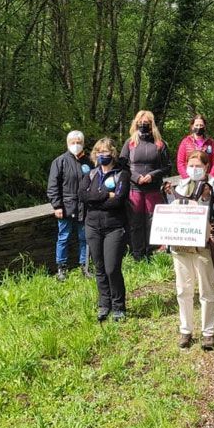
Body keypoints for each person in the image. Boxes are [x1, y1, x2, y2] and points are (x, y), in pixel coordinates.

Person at [164, 150, 214, 351]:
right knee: (183, 288)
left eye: (198, 165)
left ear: (206, 167)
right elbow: (171, 211)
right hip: (181, 242)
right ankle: (186, 329)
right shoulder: (178, 185)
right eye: (191, 165)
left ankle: (208, 332)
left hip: (203, 243)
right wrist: (166, 194)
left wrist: (207, 199)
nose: (194, 169)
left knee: (207, 288)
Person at [79, 138, 132, 322]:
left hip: (114, 227)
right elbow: (83, 195)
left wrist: (96, 200)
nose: (103, 155)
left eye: (106, 151)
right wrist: (104, 195)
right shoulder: (92, 174)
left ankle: (119, 306)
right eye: (99, 152)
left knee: (112, 268)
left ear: (113, 153)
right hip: (92, 226)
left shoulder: (122, 175)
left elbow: (118, 200)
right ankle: (104, 304)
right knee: (99, 267)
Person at [120, 110, 171, 261]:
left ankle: (151, 252)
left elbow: (168, 166)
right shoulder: (130, 143)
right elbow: (122, 165)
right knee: (135, 222)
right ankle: (137, 254)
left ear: (152, 124)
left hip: (153, 189)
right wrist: (136, 177)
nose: (143, 125)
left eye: (147, 123)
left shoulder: (160, 143)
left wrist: (152, 175)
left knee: (152, 221)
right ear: (136, 124)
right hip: (134, 189)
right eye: (140, 122)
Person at [47, 130, 93, 280]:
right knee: (64, 237)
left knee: (84, 237)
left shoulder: (89, 162)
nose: (76, 145)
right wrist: (57, 206)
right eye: (73, 142)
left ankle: (85, 266)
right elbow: (53, 186)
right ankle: (61, 268)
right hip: (66, 207)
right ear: (67, 144)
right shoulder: (59, 162)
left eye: (78, 142)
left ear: (83, 144)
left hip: (85, 207)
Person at [175, 114, 214, 179]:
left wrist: (211, 178)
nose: (199, 127)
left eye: (201, 125)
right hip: (189, 178)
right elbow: (180, 162)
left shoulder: (210, 142)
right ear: (192, 126)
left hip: (206, 178)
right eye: (196, 125)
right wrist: (187, 178)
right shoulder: (185, 142)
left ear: (205, 127)